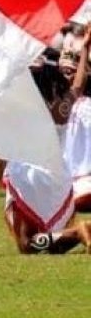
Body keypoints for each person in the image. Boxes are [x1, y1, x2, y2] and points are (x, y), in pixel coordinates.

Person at [2, 31, 91, 254]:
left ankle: (77, 232)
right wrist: (85, 50)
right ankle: (76, 233)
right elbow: (79, 83)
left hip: (27, 176)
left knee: (25, 244)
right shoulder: (63, 105)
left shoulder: (23, 105)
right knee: (43, 241)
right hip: (57, 178)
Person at [62, 28, 91, 212]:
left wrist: (85, 48)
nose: (68, 76)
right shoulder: (60, 105)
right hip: (68, 180)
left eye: (71, 71)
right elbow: (78, 85)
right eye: (64, 72)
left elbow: (79, 84)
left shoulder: (86, 104)